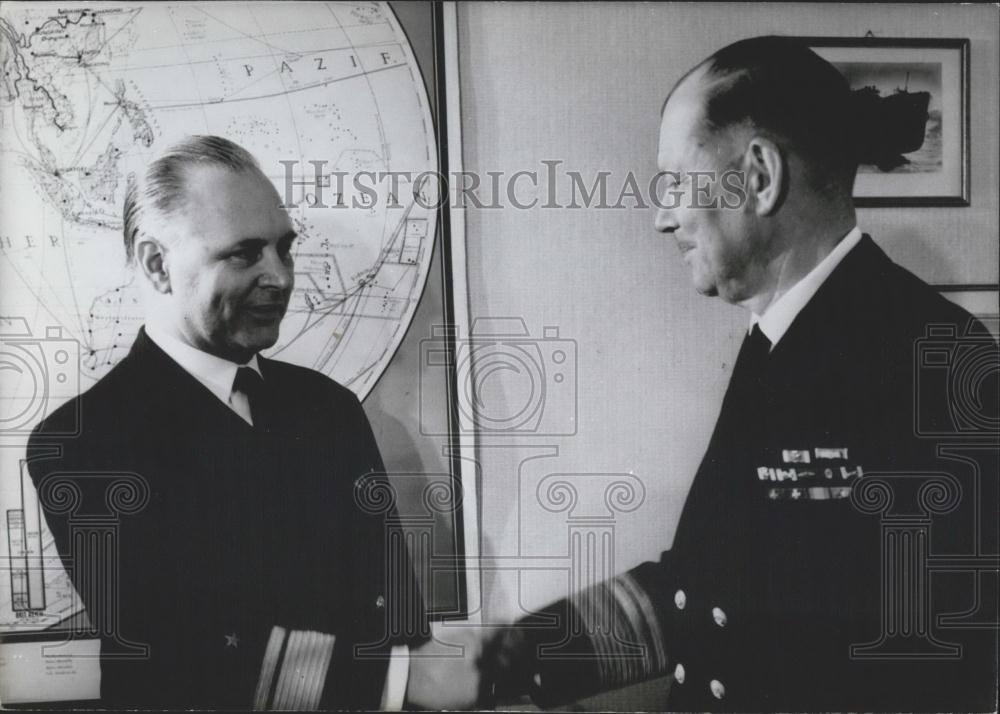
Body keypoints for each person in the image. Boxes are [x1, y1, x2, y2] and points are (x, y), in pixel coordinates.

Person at [481, 36, 998, 711]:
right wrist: (514, 657)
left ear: (758, 176)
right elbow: (714, 580)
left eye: (674, 182)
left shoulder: (937, 355)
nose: (661, 217)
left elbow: (920, 664)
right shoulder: (782, 333)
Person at [26, 136, 479, 709]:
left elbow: (395, 611)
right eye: (244, 254)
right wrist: (406, 681)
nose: (282, 278)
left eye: (283, 249)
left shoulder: (328, 406)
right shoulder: (84, 441)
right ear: (157, 263)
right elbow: (175, 649)